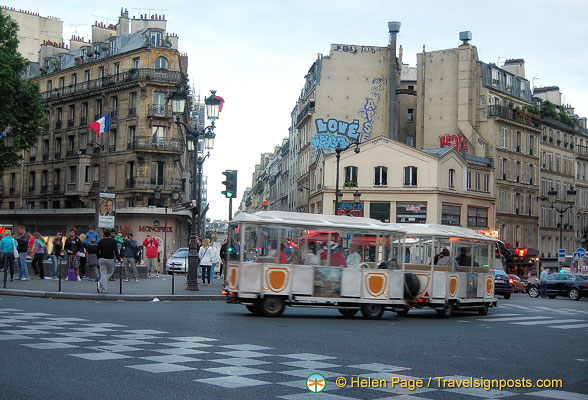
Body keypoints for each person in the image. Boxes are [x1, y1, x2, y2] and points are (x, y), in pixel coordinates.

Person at [97, 229, 121, 293]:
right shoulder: (113, 241)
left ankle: (102, 286)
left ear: (104, 234)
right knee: (110, 272)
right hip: (110, 258)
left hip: (102, 258)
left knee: (103, 273)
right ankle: (102, 285)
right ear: (110, 234)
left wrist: (98, 257)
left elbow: (97, 250)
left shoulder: (101, 241)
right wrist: (119, 259)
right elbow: (116, 251)